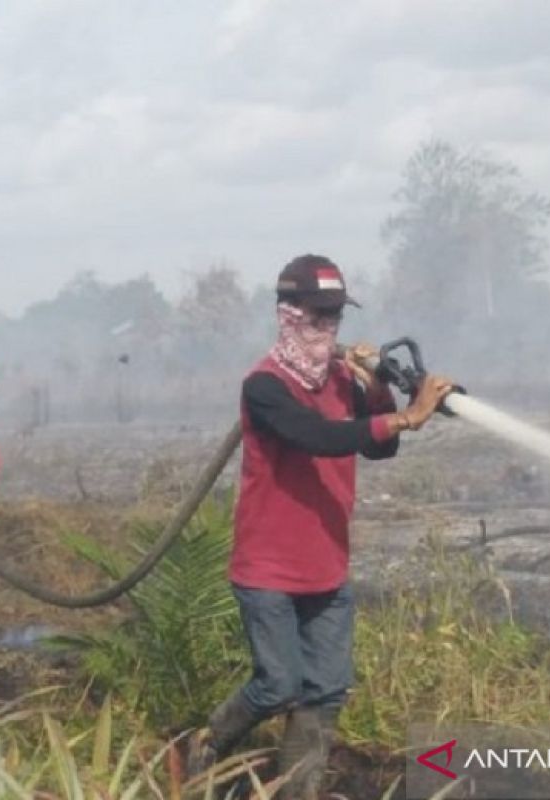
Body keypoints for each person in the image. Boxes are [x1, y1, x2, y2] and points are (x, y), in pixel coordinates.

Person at [188, 255, 455, 798]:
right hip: (268, 571)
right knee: (278, 685)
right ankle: (204, 746)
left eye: (335, 316)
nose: (327, 328)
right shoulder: (264, 387)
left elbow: (380, 448)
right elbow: (316, 436)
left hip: (326, 569)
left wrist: (380, 388)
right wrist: (407, 414)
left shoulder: (340, 377)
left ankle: (296, 791)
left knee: (325, 691)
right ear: (288, 314)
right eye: (317, 315)